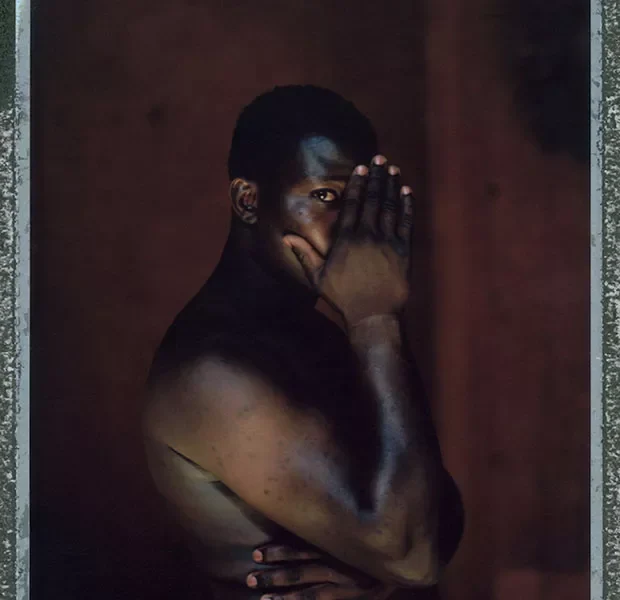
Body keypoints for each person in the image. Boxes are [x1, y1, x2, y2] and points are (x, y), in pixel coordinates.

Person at [142, 85, 464, 600]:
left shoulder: (314, 331)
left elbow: (434, 508)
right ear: (248, 201)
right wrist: (376, 316)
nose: (352, 229)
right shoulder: (212, 371)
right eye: (325, 197)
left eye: (359, 201)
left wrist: (374, 576)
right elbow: (415, 555)